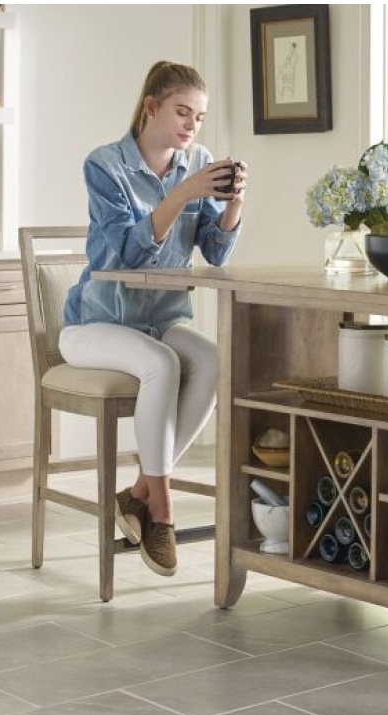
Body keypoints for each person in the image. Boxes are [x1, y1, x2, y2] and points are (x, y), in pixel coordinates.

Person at [61, 61, 246, 577]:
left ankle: (138, 492)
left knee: (212, 359)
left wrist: (233, 204)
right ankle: (160, 510)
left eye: (200, 117)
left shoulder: (198, 161)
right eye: (182, 112)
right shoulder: (105, 165)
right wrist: (182, 195)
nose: (192, 126)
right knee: (163, 364)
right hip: (96, 324)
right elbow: (121, 256)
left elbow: (214, 250)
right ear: (151, 107)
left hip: (159, 320)